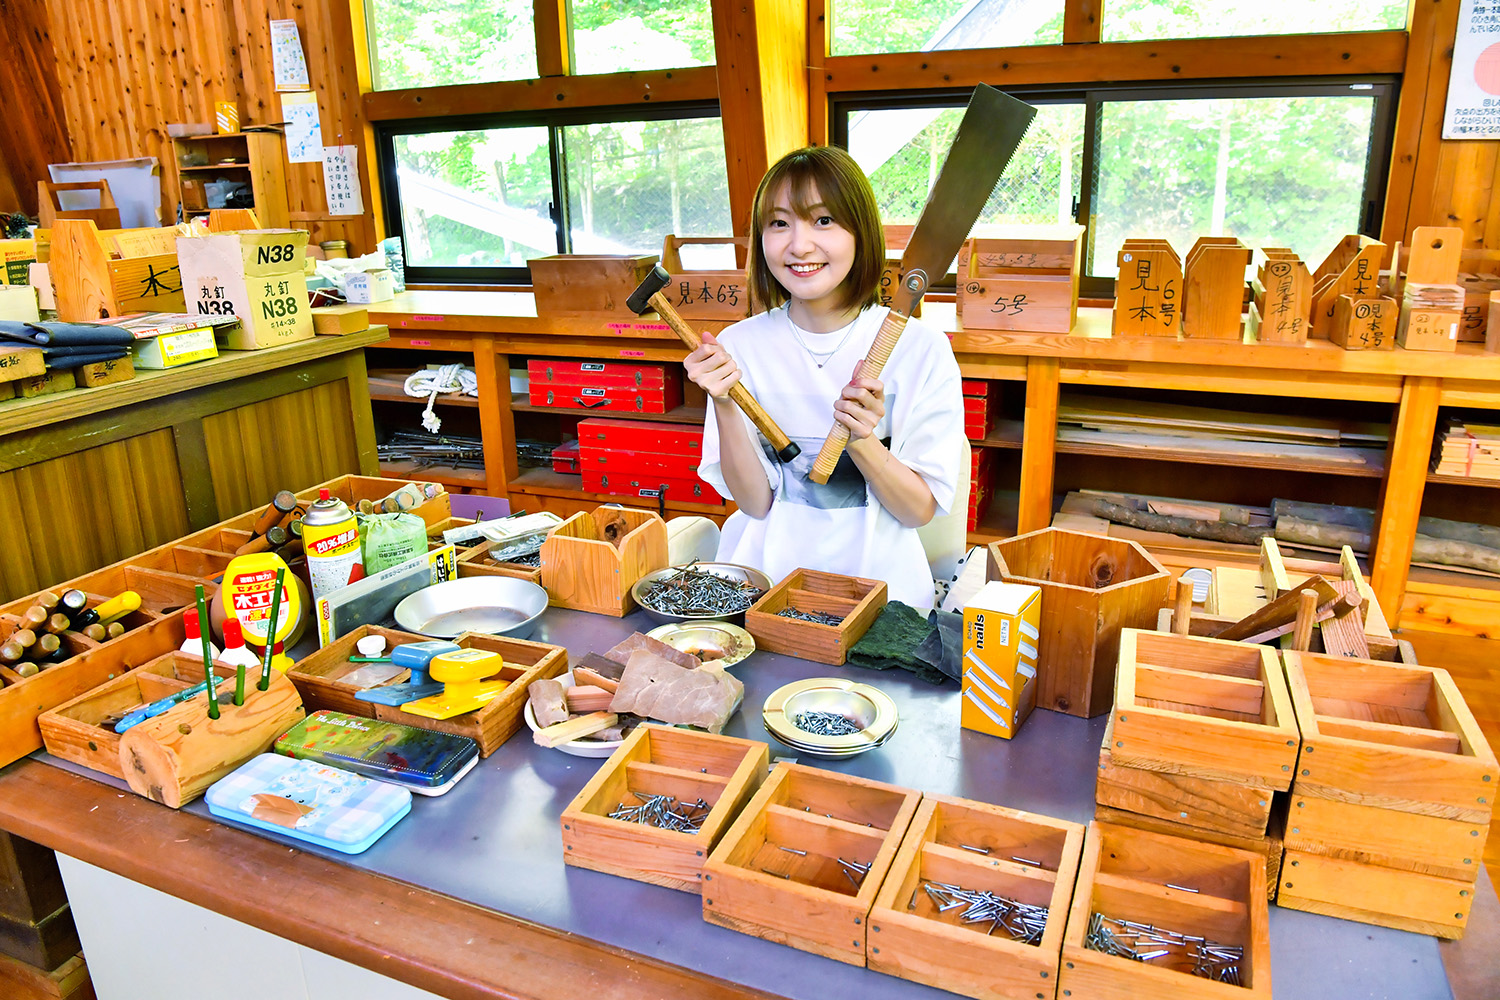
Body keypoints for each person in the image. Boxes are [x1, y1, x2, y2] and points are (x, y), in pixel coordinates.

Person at [689, 145, 965, 609]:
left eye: (823, 221)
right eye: (779, 223)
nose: (798, 245)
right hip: (760, 587)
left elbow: (917, 511)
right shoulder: (739, 346)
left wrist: (862, 440)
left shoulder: (921, 349)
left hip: (881, 594)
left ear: (861, 233)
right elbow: (755, 505)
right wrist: (723, 403)